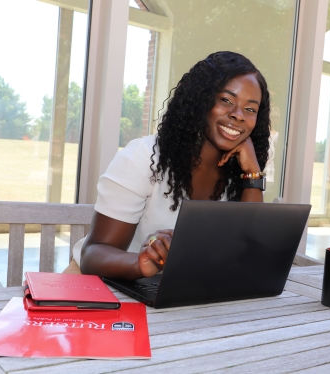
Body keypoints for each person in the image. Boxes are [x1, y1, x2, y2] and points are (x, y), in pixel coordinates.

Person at [68, 51, 271, 280]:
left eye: (250, 109)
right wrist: (141, 264)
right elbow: (93, 253)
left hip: (173, 288)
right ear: (200, 100)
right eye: (226, 100)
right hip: (101, 282)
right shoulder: (144, 157)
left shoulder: (238, 171)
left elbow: (249, 252)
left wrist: (252, 173)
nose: (238, 115)